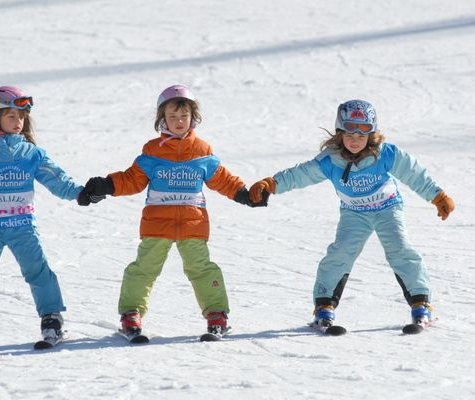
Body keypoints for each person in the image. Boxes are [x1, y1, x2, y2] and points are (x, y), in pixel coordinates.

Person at [249, 99, 455, 329]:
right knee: (341, 253)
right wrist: (271, 184)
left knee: (400, 249)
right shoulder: (330, 160)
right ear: (339, 133)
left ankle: (421, 303)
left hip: (388, 208)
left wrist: (437, 196)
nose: (355, 140)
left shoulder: (385, 154)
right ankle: (324, 306)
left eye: (362, 135)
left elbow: (414, 173)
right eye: (349, 134)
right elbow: (300, 174)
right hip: (354, 213)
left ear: (371, 134)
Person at [81, 84, 265, 336]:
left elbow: (222, 179)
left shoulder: (202, 152)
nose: (179, 122)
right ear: (162, 119)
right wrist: (107, 184)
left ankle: (216, 313)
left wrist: (244, 195)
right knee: (144, 268)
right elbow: (132, 179)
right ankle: (131, 313)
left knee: (202, 268)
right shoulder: (153, 152)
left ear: (193, 118)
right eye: (172, 117)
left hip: (193, 224)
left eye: (184, 116)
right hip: (157, 224)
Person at [0, 85, 98, 341]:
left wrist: (80, 193)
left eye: (22, 116)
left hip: (21, 225)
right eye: (11, 115)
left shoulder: (31, 153)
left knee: (37, 270)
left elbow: (57, 179)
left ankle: (51, 317)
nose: (18, 122)